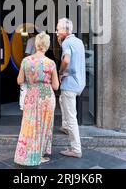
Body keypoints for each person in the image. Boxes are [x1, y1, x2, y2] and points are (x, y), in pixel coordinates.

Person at [14, 32, 59, 166]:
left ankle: (26, 153)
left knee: (29, 124)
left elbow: (19, 80)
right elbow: (56, 86)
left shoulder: (26, 61)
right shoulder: (50, 63)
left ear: (35, 44)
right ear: (47, 45)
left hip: (31, 96)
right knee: (43, 126)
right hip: (46, 98)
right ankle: (38, 155)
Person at [56, 18, 86, 158]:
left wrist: (61, 73)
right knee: (62, 100)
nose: (56, 32)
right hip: (80, 83)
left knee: (71, 116)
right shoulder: (79, 41)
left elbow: (66, 60)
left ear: (66, 31)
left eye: (58, 29)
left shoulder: (66, 42)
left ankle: (76, 149)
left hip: (70, 83)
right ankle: (65, 126)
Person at [19, 32, 37, 111]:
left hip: (30, 65)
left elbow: (27, 53)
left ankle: (23, 106)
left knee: (24, 86)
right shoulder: (42, 40)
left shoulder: (31, 40)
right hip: (39, 65)